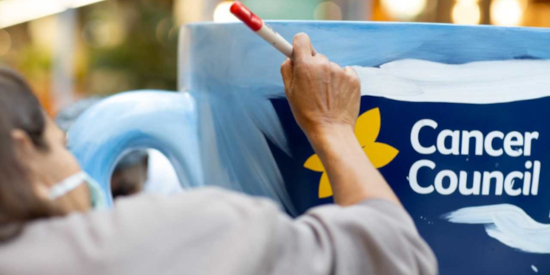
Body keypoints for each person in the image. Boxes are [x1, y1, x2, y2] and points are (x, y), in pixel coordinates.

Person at [0, 34, 437, 275]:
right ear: (22, 154)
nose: (75, 160)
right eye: (61, 145)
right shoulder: (182, 235)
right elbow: (398, 255)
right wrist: (333, 126)